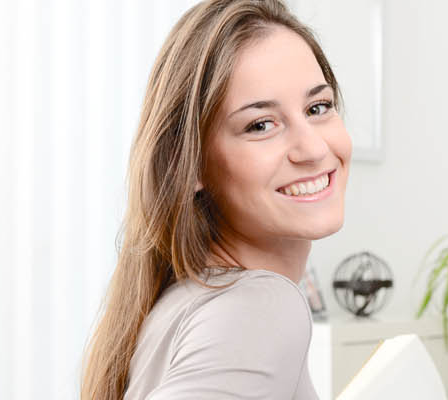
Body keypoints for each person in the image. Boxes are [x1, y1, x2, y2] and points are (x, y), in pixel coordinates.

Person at [80, 0, 350, 398]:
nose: (312, 148)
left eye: (318, 107)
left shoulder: (187, 302)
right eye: (260, 125)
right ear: (190, 164)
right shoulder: (260, 307)